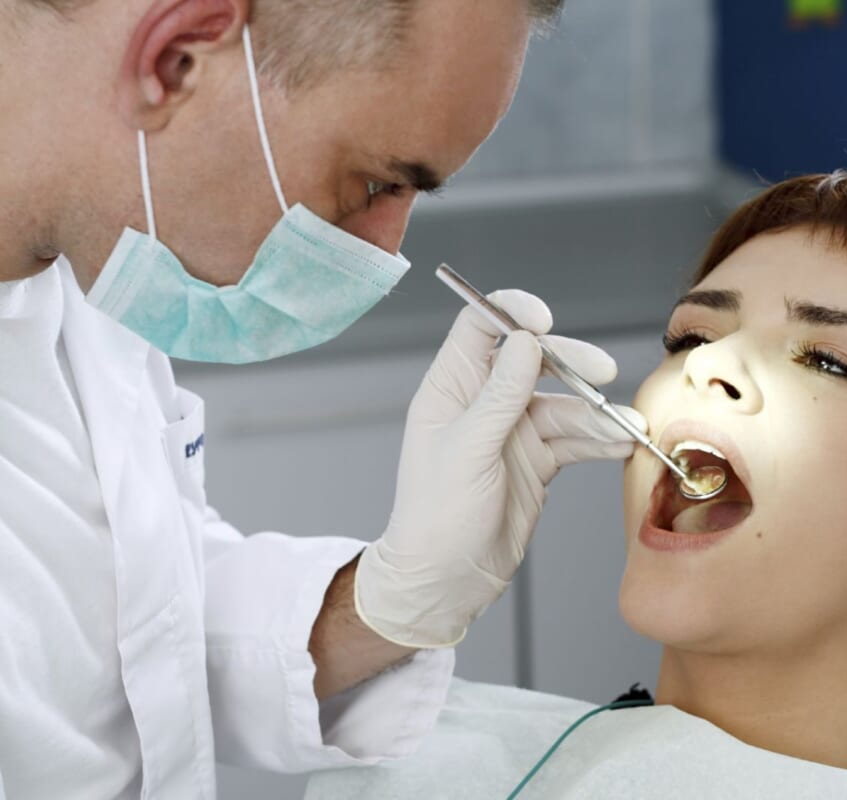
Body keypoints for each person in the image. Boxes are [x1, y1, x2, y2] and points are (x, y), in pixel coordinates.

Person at [0, 1, 643, 797]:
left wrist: (387, 601)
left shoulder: (89, 265)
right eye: (377, 181)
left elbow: (121, 626)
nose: (384, 251)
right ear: (176, 61)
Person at [305, 169, 847, 799]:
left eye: (828, 360)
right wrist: (387, 604)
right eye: (692, 337)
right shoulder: (433, 760)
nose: (708, 366)